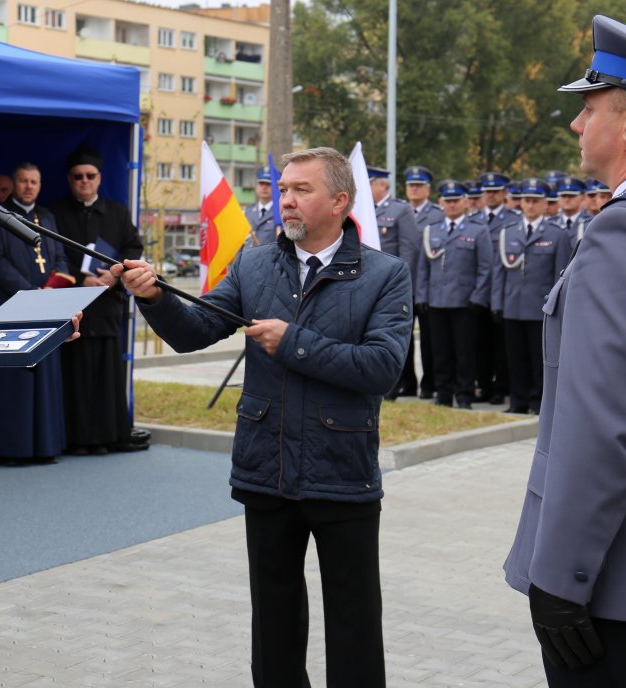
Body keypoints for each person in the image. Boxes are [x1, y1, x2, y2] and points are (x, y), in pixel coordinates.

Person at [113, 147, 411, 688]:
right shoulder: (254, 263)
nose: (286, 200)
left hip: (341, 471)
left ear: (340, 201)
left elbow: (383, 368)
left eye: (302, 190)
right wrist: (154, 297)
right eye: (284, 189)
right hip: (265, 467)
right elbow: (195, 330)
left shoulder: (384, 275)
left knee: (354, 622)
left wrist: (291, 342)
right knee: (272, 620)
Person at [505, 16, 626, 687]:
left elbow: (601, 426)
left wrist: (563, 577)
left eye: (589, 107)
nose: (576, 125)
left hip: (624, 592)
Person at [50, 146, 145, 454]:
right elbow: (53, 255)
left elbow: (133, 246)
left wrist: (115, 274)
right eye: (78, 177)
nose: (84, 182)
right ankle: (77, 439)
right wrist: (80, 280)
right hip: (72, 306)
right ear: (70, 179)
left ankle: (107, 437)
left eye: (90, 176)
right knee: (75, 376)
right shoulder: (56, 213)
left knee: (106, 375)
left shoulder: (117, 212)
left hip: (106, 305)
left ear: (99, 178)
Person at [0, 161, 70, 465]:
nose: (29, 186)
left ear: (40, 186)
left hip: (46, 310)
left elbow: (59, 259)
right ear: (15, 184)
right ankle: (10, 448)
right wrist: (30, 293)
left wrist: (53, 291)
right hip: (10, 309)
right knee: (11, 381)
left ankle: (44, 446)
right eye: (24, 181)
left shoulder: (48, 218)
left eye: (34, 181)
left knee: (43, 380)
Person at [491, 178, 570, 415]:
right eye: (527, 201)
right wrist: (497, 303)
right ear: (520, 204)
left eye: (536, 201)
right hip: (512, 306)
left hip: (540, 307)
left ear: (545, 204)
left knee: (539, 361)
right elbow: (499, 273)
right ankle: (517, 401)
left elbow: (561, 275)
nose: (531, 205)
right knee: (514, 359)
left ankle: (538, 402)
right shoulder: (508, 232)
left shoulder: (557, 235)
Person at [416, 179, 492, 409]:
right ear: (440, 203)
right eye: (447, 201)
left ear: (465, 202)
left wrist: (478, 298)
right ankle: (443, 394)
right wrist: (421, 297)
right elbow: (423, 268)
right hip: (437, 301)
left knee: (465, 353)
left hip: (464, 303)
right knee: (440, 352)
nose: (451, 205)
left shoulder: (477, 230)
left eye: (456, 200)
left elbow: (485, 268)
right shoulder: (432, 230)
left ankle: (465, 394)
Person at [369, 165, 418, 398]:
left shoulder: (400, 210)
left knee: (393, 337)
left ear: (382, 185)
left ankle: (397, 384)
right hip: (367, 283)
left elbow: (409, 251)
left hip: (391, 285)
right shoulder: (362, 210)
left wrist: (401, 285)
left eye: (368, 184)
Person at [404, 165, 445, 399]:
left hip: (428, 285)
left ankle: (431, 383)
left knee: (430, 340)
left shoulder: (438, 214)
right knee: (403, 338)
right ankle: (407, 382)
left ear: (427, 189)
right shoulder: (400, 211)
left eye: (419, 185)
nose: (415, 189)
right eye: (411, 185)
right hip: (405, 284)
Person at [475, 171, 515, 406]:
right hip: (479, 292)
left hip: (502, 292)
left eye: (495, 192)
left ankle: (501, 387)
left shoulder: (513, 219)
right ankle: (483, 384)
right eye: (487, 192)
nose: (490, 195)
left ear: (503, 194)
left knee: (501, 346)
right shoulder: (475, 220)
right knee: (480, 344)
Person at [242, 167, 275, 247]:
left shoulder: (280, 213)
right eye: (261, 183)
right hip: (248, 257)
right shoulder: (247, 212)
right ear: (256, 187)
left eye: (268, 184)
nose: (264, 187)